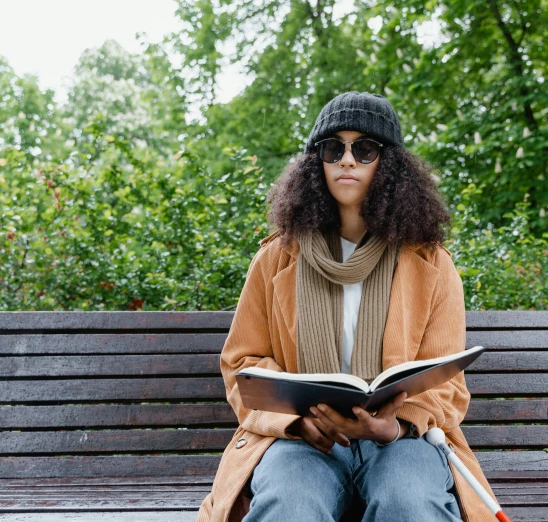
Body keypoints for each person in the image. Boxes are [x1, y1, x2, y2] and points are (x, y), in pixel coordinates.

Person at [195, 91, 499, 522]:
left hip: (401, 440)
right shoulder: (276, 259)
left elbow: (446, 385)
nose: (347, 160)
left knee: (410, 504)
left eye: (365, 148)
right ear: (316, 162)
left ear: (389, 164)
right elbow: (242, 362)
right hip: (303, 439)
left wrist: (393, 425)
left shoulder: (431, 263)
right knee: (289, 506)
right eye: (333, 148)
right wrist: (297, 421)